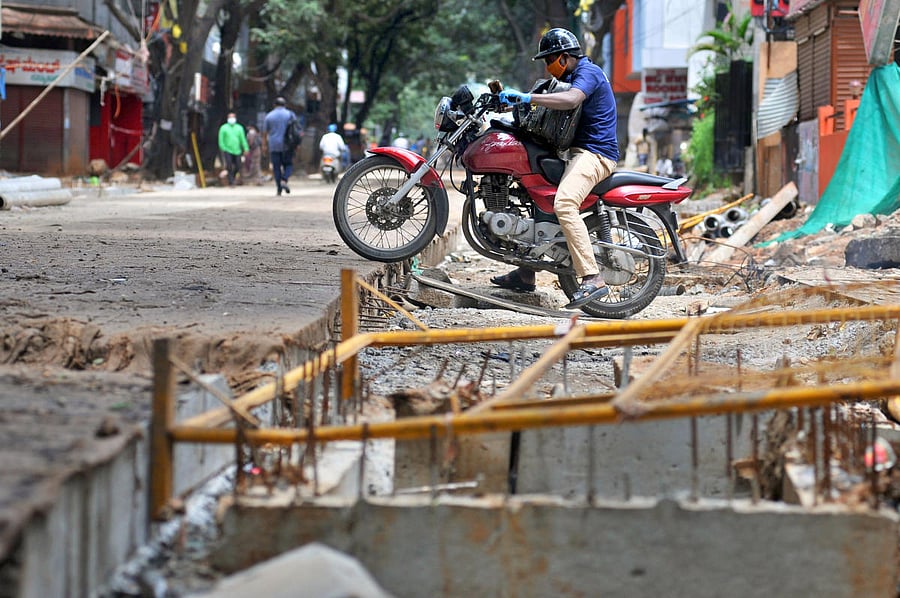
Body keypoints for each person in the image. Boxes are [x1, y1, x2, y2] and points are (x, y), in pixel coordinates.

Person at [492, 28, 619, 309]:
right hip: (571, 153)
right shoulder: (563, 80)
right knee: (529, 193)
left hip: (595, 155)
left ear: (562, 57)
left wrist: (528, 97)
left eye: (549, 60)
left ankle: (593, 278)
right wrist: (512, 104)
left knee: (564, 204)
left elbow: (571, 100)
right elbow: (544, 112)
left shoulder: (589, 72)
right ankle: (526, 274)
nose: (547, 67)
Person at [263, 97, 297, 196]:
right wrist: (296, 144)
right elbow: (296, 130)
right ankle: (284, 180)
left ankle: (279, 189)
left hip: (274, 145)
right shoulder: (290, 115)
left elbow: (264, 133)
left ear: (275, 105)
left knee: (276, 167)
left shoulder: (269, 116)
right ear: (284, 104)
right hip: (288, 145)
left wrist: (264, 146)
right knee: (289, 164)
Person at [217, 112, 249, 187]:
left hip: (237, 150)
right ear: (227, 119)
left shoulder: (239, 128)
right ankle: (231, 181)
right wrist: (223, 148)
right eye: (230, 117)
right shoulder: (223, 128)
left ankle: (233, 177)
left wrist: (246, 148)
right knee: (229, 165)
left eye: (233, 117)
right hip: (227, 150)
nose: (232, 119)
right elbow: (220, 139)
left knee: (238, 166)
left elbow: (242, 139)